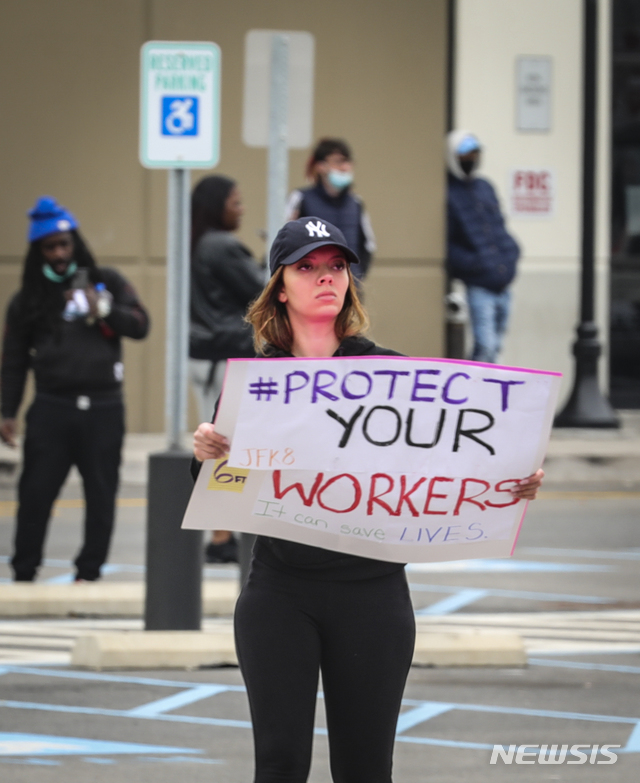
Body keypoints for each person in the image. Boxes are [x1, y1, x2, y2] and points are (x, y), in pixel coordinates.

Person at [192, 216, 544, 783]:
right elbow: (220, 488)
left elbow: (454, 461)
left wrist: (511, 479)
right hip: (280, 596)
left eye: (336, 266)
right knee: (279, 765)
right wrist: (208, 450)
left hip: (374, 599)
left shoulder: (392, 375)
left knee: (365, 769)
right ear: (280, 286)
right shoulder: (260, 382)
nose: (325, 277)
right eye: (306, 267)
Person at [0, 196, 149, 582]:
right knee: (35, 496)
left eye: (65, 245)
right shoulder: (28, 299)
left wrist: (103, 309)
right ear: (39, 253)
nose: (60, 254)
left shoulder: (108, 282)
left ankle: (88, 573)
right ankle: (24, 571)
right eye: (51, 248)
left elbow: (140, 324)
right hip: (52, 407)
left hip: (104, 408)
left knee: (101, 497)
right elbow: (14, 360)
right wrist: (7, 412)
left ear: (76, 244)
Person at [189, 175, 265, 563]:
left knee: (217, 443)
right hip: (227, 357)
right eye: (235, 202)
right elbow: (261, 290)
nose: (242, 208)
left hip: (205, 355)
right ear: (218, 206)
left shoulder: (198, 243)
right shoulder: (222, 245)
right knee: (226, 446)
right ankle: (221, 537)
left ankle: (221, 534)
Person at [446, 130, 521, 363]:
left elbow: (499, 226)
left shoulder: (485, 187)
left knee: (495, 347)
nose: (471, 159)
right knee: (485, 348)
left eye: (474, 153)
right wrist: (475, 265)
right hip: (479, 284)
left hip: (503, 281)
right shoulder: (447, 192)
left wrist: (511, 253)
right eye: (464, 155)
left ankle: (485, 396)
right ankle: (472, 396)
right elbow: (447, 245)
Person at [285, 137, 376, 286]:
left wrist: (356, 276)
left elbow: (368, 246)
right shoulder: (301, 198)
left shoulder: (356, 203)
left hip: (349, 286)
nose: (344, 167)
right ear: (321, 166)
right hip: (312, 284)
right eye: (338, 161)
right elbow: (285, 240)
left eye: (347, 162)